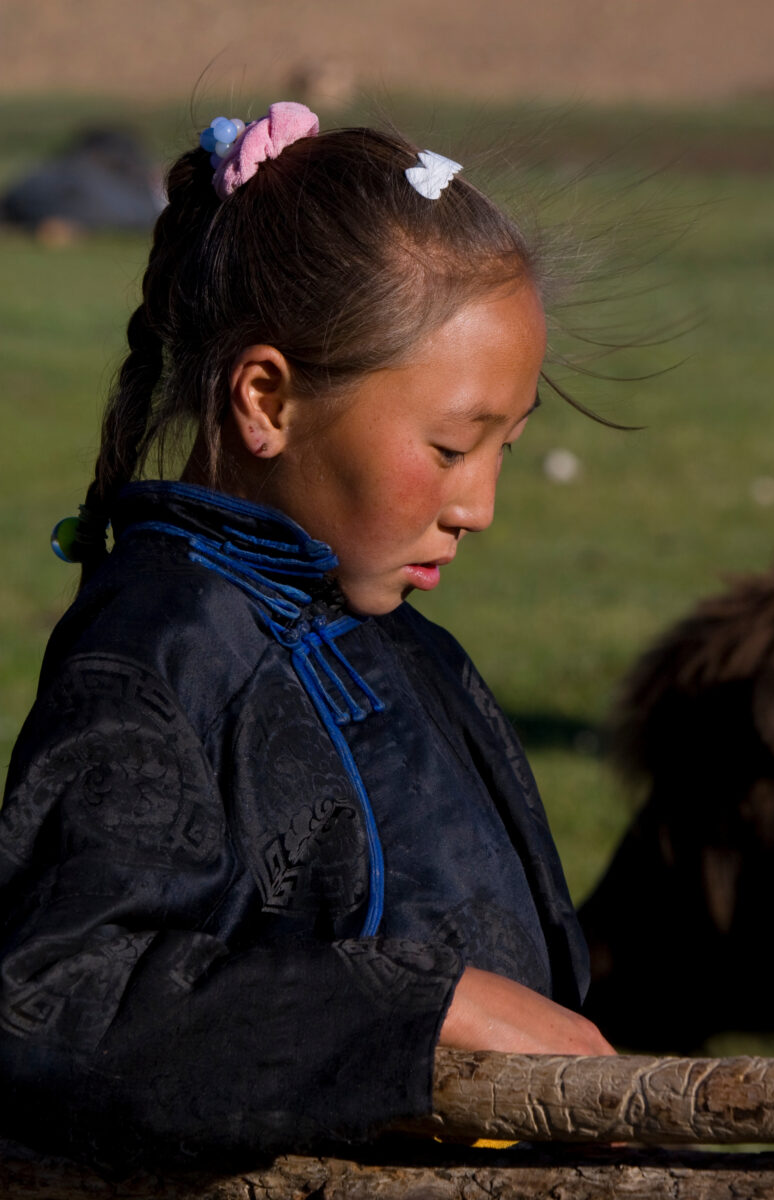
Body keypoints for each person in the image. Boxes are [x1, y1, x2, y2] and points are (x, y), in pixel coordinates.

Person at [0, 101, 613, 1171]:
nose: (478, 506)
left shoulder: (410, 649)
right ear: (266, 400)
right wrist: (426, 1009)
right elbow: (58, 1007)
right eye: (448, 446)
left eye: (505, 449)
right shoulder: (161, 656)